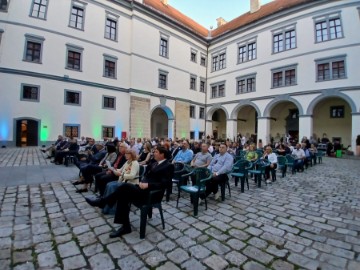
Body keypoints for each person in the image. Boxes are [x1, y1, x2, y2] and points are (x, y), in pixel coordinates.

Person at [85, 146, 174, 238]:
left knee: (124, 187)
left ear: (162, 154)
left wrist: (149, 185)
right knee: (123, 194)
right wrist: (143, 182)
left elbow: (166, 184)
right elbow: (147, 175)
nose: (153, 153)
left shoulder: (168, 165)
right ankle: (125, 226)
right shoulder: (155, 163)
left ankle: (103, 202)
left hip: (152, 194)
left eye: (155, 152)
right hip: (142, 189)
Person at [102, 150, 140, 214]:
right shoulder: (127, 162)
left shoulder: (135, 163)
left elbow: (132, 176)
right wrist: (113, 169)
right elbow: (121, 169)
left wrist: (121, 174)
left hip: (130, 184)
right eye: (126, 154)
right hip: (123, 181)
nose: (126, 155)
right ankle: (105, 205)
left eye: (127, 154)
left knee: (111, 186)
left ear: (132, 155)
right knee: (108, 184)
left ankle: (111, 209)